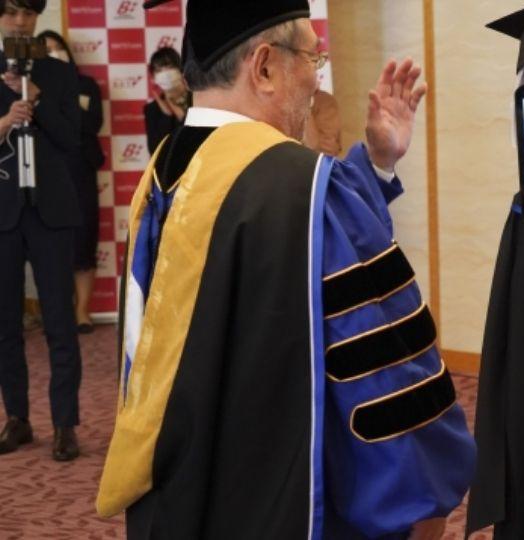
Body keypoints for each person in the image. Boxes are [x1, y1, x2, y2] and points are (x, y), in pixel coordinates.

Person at [96, 1, 475, 538]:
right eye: (312, 58)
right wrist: (426, 493)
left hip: (183, 490)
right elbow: (386, 377)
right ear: (266, 67)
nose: (316, 79)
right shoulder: (298, 184)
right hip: (285, 501)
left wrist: (376, 160)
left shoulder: (162, 172)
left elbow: (297, 249)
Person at [0, 0, 83, 462]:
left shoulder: (58, 72)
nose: (19, 22)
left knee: (60, 323)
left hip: (52, 211)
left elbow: (72, 138)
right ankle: (17, 419)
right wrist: (6, 120)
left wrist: (36, 100)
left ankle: (64, 424)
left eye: (28, 14)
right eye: (11, 12)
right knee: (5, 325)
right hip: (4, 210)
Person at [38, 29, 105, 333]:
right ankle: (58, 312)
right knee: (51, 242)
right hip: (47, 171)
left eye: (57, 48)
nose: (54, 54)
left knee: (85, 237)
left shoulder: (86, 85)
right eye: (46, 50)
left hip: (82, 168)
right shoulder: (31, 88)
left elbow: (91, 124)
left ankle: (82, 311)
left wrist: (60, 106)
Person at [143, 46, 189, 154]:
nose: (165, 74)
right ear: (153, 78)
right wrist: (166, 117)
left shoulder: (199, 99)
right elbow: (154, 151)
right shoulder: (152, 109)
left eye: (169, 67)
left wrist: (183, 118)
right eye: (159, 70)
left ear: (181, 69)